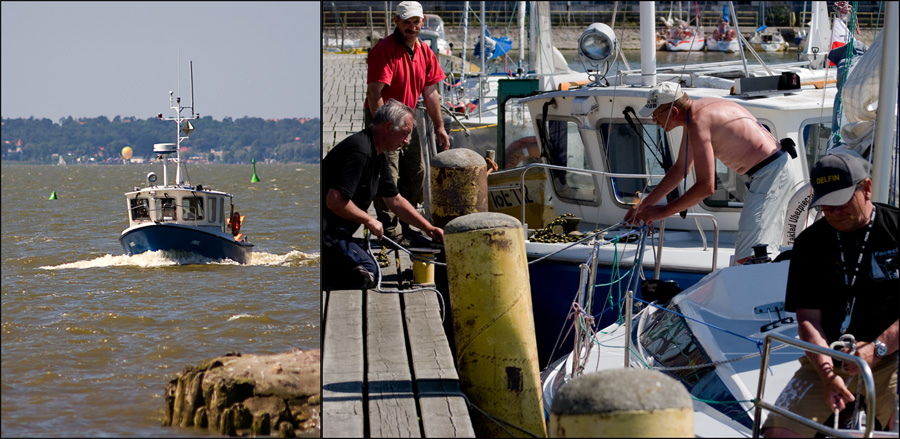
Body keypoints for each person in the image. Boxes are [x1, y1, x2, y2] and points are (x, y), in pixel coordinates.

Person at [762, 153, 898, 437]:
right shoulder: (810, 243)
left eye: (841, 202)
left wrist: (878, 348)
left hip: (892, 357)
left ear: (867, 188)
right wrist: (826, 373)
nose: (834, 212)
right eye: (825, 205)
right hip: (829, 359)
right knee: (779, 433)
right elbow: (808, 320)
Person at [624, 81, 799, 264]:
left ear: (674, 112)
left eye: (656, 114)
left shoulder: (698, 123)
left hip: (771, 173)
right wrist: (644, 206)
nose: (654, 120)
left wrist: (662, 212)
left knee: (749, 255)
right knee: (753, 252)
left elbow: (706, 187)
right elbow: (680, 169)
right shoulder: (696, 114)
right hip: (771, 170)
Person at [321, 99, 444, 291]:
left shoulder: (378, 153)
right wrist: (369, 220)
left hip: (340, 231)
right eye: (405, 133)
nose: (407, 141)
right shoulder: (360, 151)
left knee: (368, 269)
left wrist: (427, 227)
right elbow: (334, 201)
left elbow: (395, 200)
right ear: (388, 127)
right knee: (368, 274)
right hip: (327, 230)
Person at [366, 0, 450, 247]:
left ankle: (407, 225)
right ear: (396, 21)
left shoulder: (425, 52)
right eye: (407, 23)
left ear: (423, 21)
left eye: (416, 22)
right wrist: (383, 128)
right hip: (383, 118)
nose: (412, 27)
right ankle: (389, 230)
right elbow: (374, 92)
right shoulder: (384, 50)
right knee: (388, 173)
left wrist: (439, 126)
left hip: (407, 120)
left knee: (416, 171)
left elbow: (431, 92)